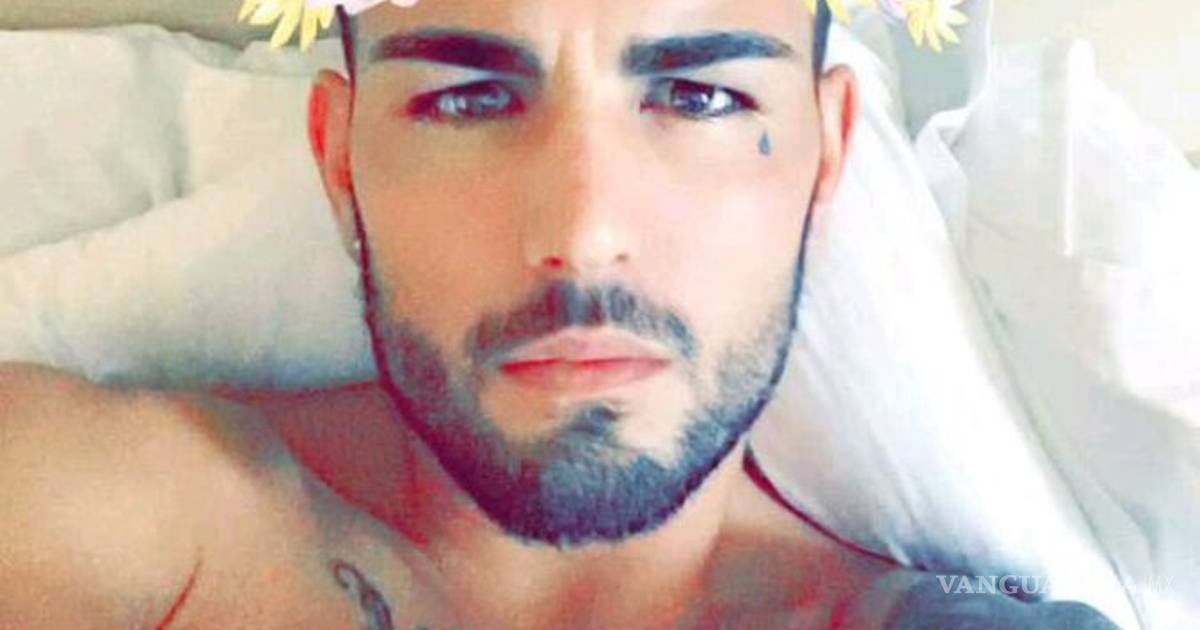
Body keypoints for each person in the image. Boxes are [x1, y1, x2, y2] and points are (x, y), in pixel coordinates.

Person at [0, 0, 1121, 627]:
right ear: (340, 166)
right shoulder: (109, 518)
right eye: (467, 98)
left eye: (700, 97)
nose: (585, 231)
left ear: (826, 159)